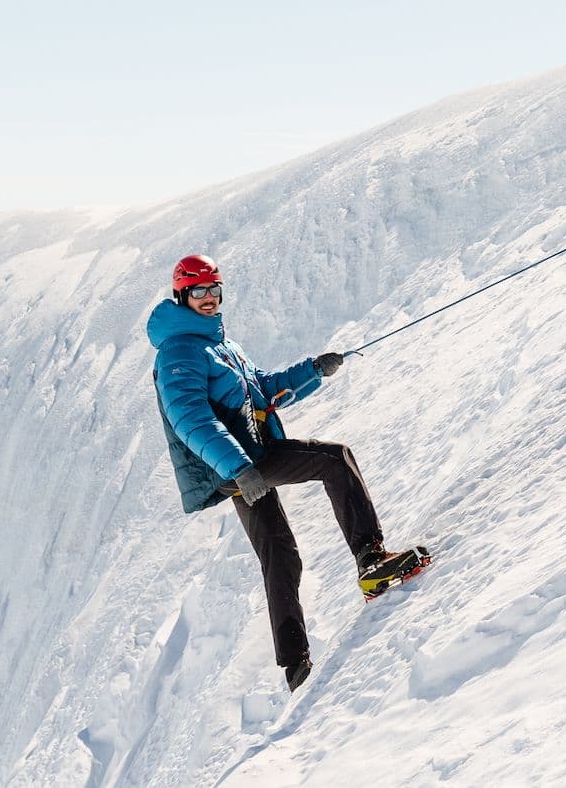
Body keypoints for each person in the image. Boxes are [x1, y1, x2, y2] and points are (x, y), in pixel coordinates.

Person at [148, 253, 427, 691]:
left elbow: (264, 389)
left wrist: (314, 370)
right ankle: (372, 561)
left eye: (214, 289)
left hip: (245, 461)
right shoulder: (178, 352)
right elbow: (191, 419)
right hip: (241, 464)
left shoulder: (222, 345)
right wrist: (239, 468)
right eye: (199, 290)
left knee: (279, 553)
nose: (209, 298)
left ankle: (296, 667)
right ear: (181, 295)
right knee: (333, 459)